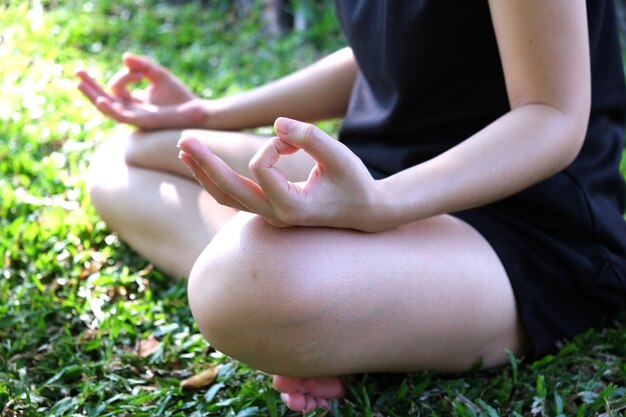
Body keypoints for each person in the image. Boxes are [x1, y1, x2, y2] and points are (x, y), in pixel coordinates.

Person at [77, 0, 626, 413]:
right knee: (128, 160)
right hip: (374, 178)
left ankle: (314, 298)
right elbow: (379, 59)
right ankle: (332, 304)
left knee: (239, 286)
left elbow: (552, 114)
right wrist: (206, 114)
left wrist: (384, 203)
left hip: (518, 223)